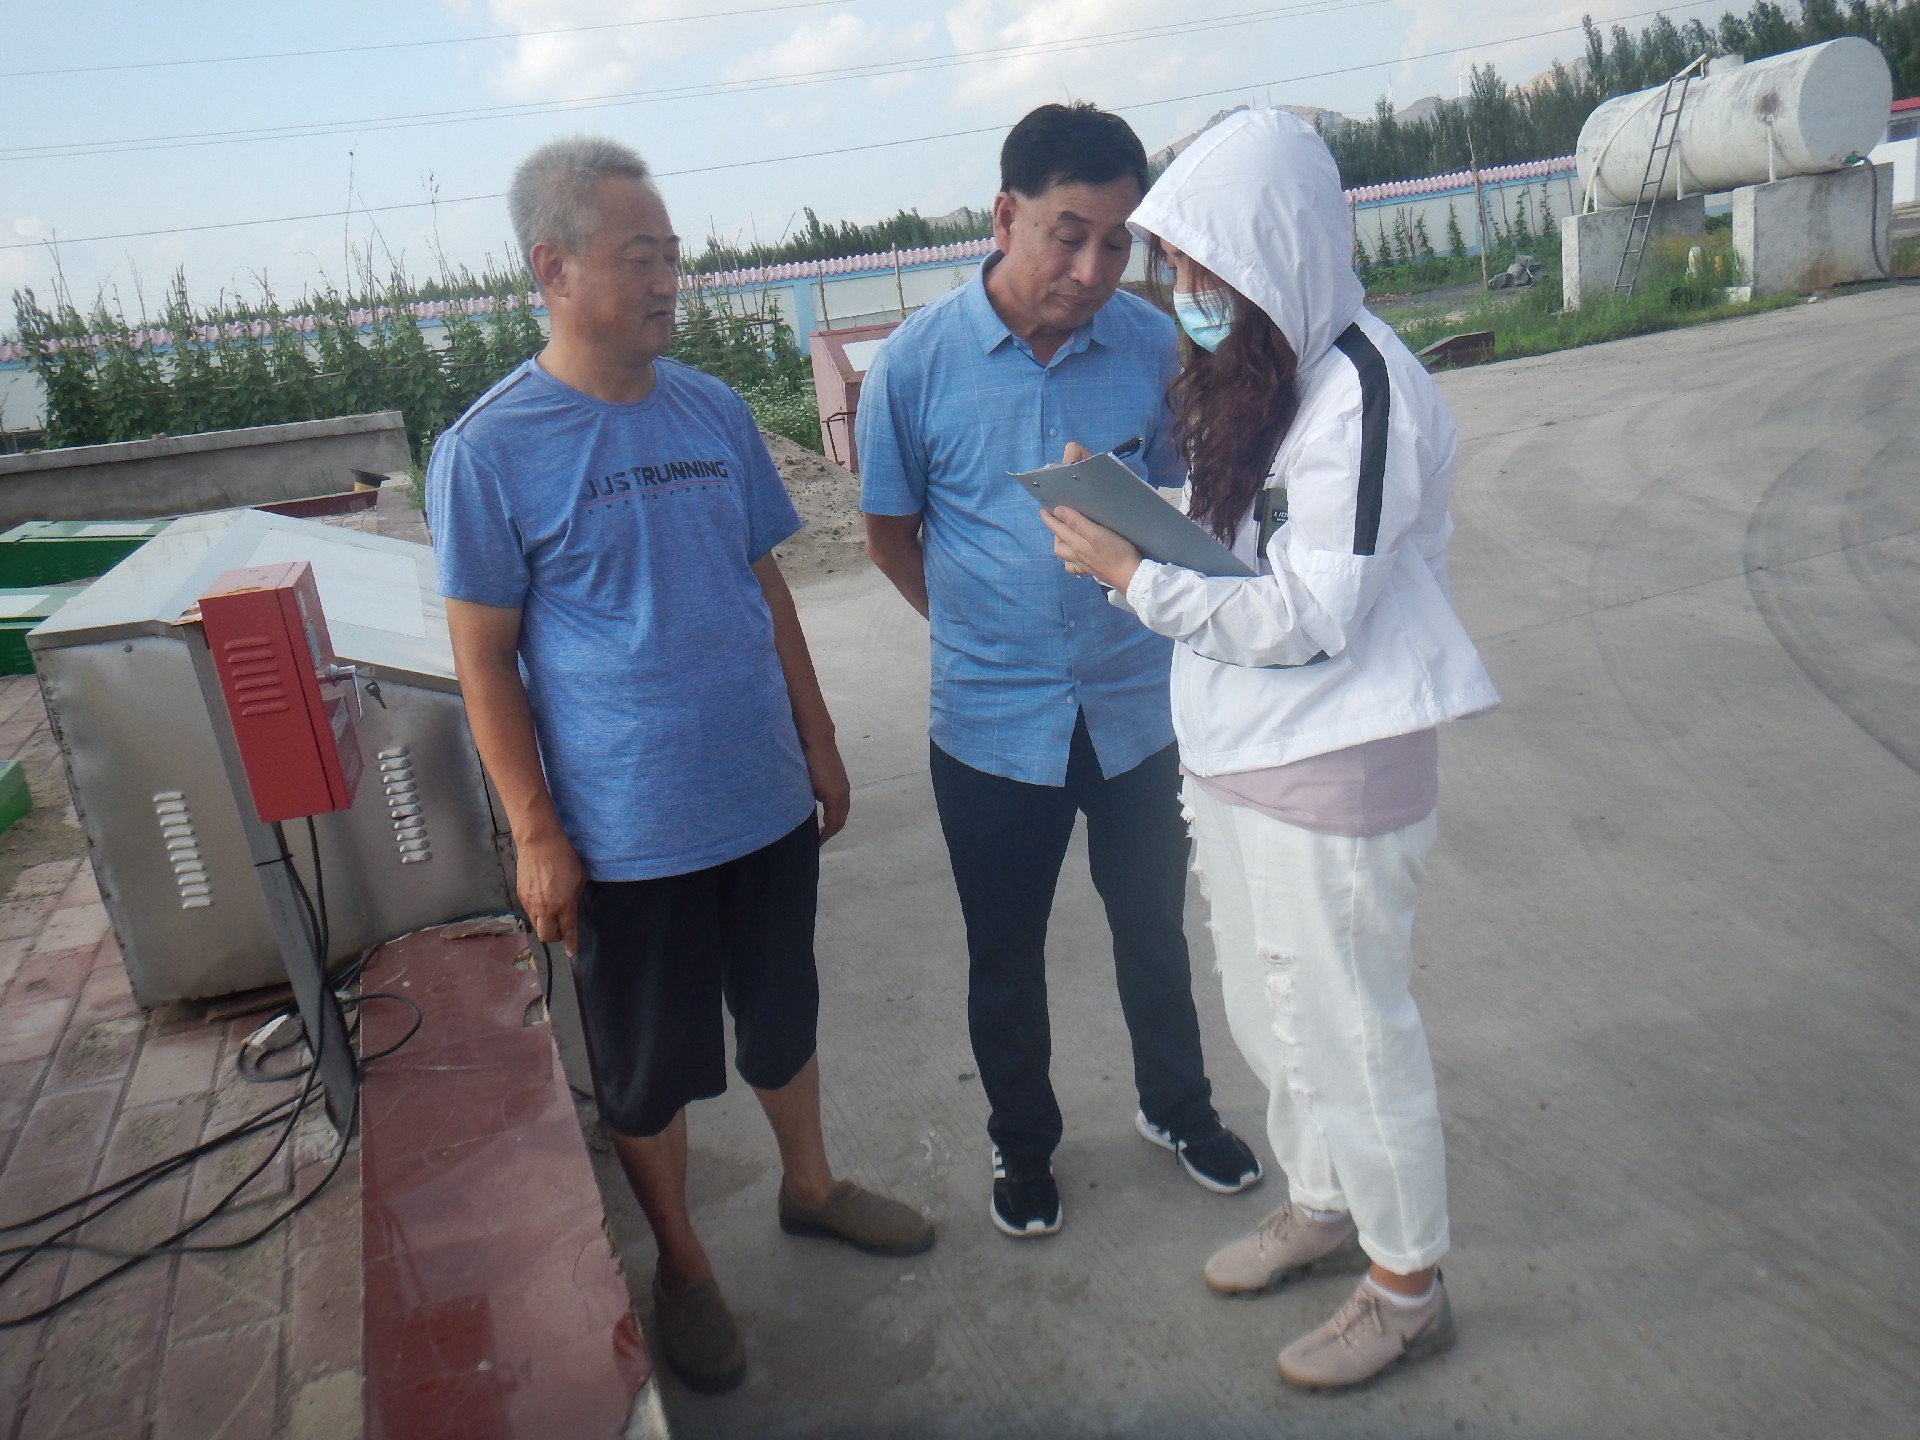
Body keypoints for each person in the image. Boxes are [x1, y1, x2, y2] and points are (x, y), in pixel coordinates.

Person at [428, 135, 933, 1396]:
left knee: (782, 1011)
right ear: (552, 268)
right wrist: (537, 832)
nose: (668, 281)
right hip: (627, 831)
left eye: (672, 256)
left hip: (761, 799)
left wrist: (819, 740)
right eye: (638, 256)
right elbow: (484, 663)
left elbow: (766, 587)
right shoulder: (489, 450)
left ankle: (810, 1186)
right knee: (649, 1066)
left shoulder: (711, 411)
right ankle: (686, 1264)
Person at [1041, 109, 1500, 1390]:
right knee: (1271, 1007)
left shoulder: (1362, 389)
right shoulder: (1263, 372)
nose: (1187, 295)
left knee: (1352, 1030)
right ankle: (1323, 1203)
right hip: (1238, 753)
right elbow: (1240, 543)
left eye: (1208, 271)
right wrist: (1132, 514)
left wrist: (1134, 576)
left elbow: (1309, 613)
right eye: (1177, 269)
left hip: (1332, 763)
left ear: (1276, 255)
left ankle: (1407, 1289)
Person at [858, 102, 1258, 1241]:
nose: (1091, 271)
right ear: (1004, 217)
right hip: (989, 723)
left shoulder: (1150, 347)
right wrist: (979, 632)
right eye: (1067, 236)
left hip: (1138, 707)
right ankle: (1022, 1144)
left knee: (1154, 928)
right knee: (1005, 954)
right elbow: (889, 536)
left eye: (1117, 243)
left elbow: (1189, 506)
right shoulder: (915, 366)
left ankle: (1176, 1107)